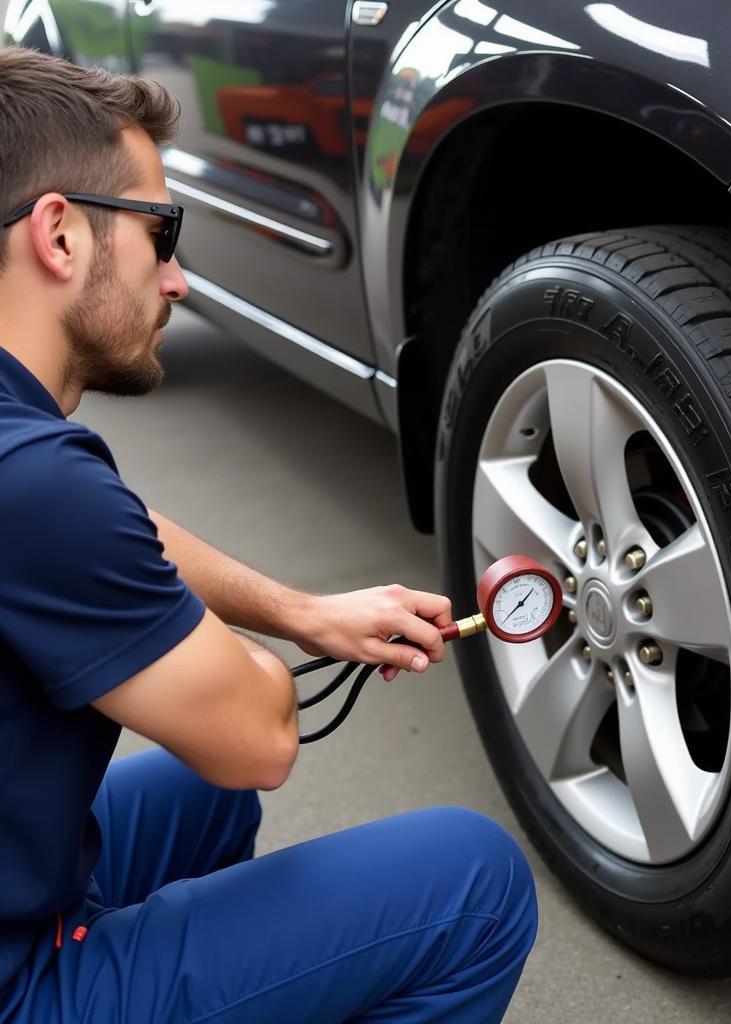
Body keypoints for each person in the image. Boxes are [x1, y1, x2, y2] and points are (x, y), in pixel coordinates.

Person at [0, 47, 537, 1024]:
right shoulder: (34, 483)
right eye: (162, 233)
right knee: (475, 881)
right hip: (15, 984)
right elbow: (259, 738)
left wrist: (304, 612)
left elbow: (111, 531)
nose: (178, 281)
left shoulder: (23, 459)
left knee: (203, 800)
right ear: (60, 235)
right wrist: (237, 660)